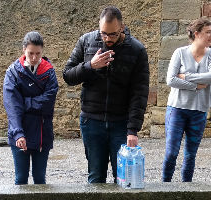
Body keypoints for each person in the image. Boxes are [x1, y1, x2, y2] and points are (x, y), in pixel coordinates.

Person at [63, 6, 149, 184]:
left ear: (122, 27)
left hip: (121, 123)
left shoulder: (136, 50)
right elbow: (68, 75)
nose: (108, 39)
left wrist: (133, 130)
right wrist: (90, 66)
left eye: (113, 34)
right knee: (95, 177)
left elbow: (139, 92)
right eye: (104, 34)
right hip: (92, 121)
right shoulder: (86, 41)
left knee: (125, 179)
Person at [162, 18, 211, 182]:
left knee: (190, 154)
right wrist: (195, 86)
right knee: (171, 152)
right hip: (177, 109)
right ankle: (164, 187)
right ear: (197, 34)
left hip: (199, 111)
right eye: (208, 32)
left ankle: (187, 189)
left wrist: (185, 77)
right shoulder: (179, 53)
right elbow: (171, 80)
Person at [2, 31, 59, 185]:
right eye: (30, 53)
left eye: (38, 54)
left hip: (42, 131)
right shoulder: (13, 72)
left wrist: (25, 102)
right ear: (23, 50)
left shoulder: (49, 72)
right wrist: (18, 134)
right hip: (20, 129)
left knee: (40, 178)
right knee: (21, 179)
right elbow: (12, 106)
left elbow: (49, 100)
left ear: (42, 52)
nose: (34, 58)